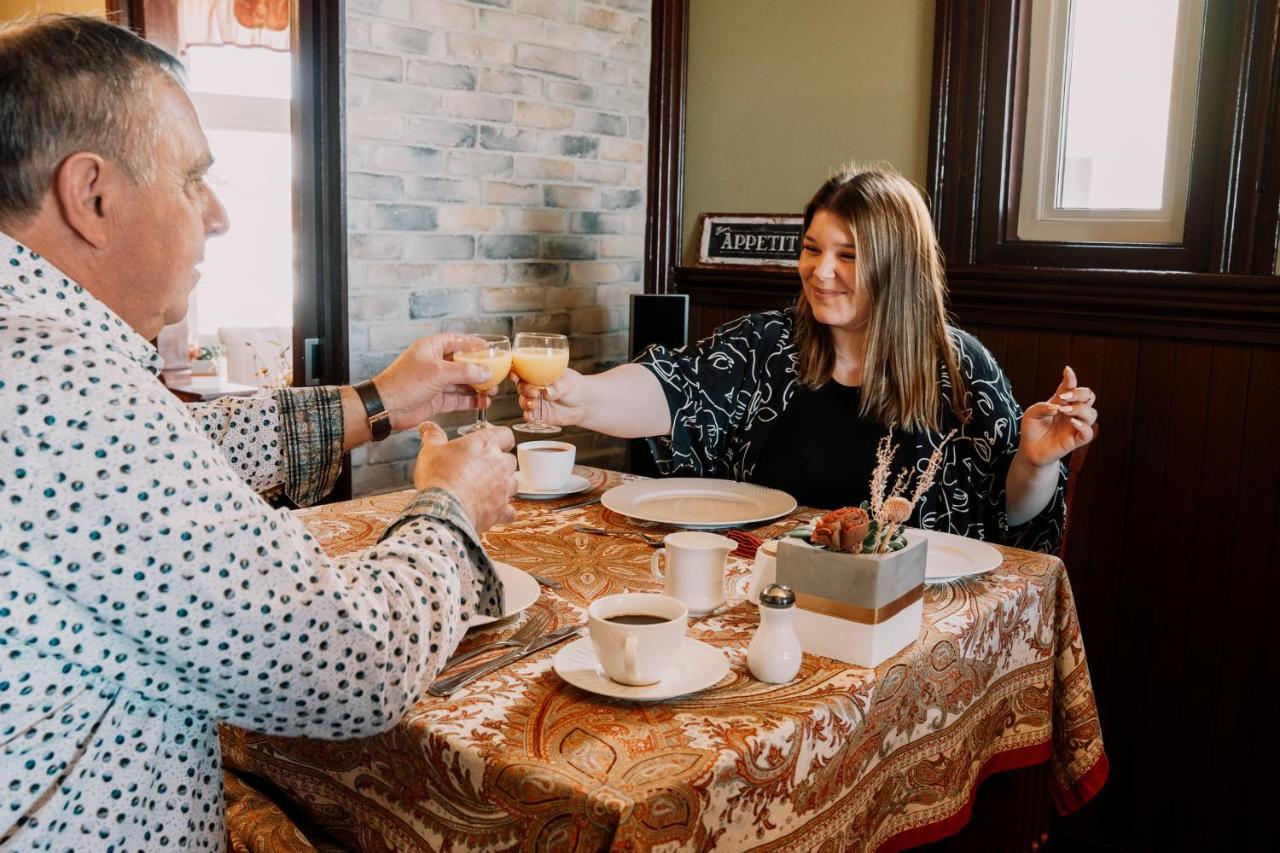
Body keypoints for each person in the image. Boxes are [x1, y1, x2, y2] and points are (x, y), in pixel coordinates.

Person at [0, 15, 517, 849]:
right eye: (193, 178)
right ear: (91, 194)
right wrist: (451, 507)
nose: (217, 215)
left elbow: (186, 445)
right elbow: (350, 662)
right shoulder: (56, 381)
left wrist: (385, 398)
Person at [517, 167, 1098, 553]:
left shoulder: (961, 369)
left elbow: (1011, 515)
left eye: (848, 255)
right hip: (766, 595)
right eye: (812, 248)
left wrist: (1036, 462)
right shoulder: (769, 343)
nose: (820, 272)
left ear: (896, 267)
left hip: (911, 613)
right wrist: (582, 395)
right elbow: (675, 389)